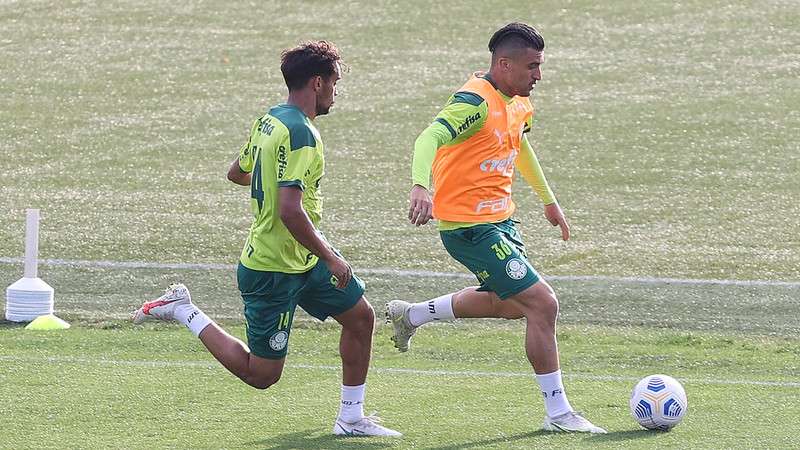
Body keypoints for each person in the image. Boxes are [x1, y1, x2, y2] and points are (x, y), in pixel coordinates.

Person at [133, 40, 401, 437]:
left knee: (360, 317)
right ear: (316, 83)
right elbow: (289, 211)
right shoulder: (301, 134)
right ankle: (182, 309)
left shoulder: (269, 121)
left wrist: (272, 180)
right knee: (261, 375)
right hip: (272, 269)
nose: (336, 91)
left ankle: (351, 418)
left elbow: (237, 172)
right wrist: (330, 257)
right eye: (334, 82)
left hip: (300, 257)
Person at [386, 22, 606, 434]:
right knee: (543, 304)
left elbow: (519, 146)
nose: (538, 75)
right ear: (503, 64)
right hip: (469, 228)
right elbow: (427, 139)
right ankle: (558, 413)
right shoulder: (474, 103)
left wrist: (549, 200)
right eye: (532, 66)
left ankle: (411, 314)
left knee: (509, 305)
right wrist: (420, 186)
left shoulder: (519, 102)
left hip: (501, 221)